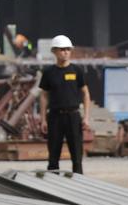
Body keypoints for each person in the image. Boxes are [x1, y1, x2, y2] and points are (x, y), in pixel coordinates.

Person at [38, 35, 90, 175]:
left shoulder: (77, 71)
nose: (65, 52)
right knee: (53, 155)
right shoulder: (49, 72)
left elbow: (85, 93)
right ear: (54, 51)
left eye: (68, 49)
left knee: (77, 155)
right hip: (55, 117)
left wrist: (86, 117)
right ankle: (53, 186)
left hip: (73, 116)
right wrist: (43, 119)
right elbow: (43, 95)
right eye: (62, 50)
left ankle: (79, 185)